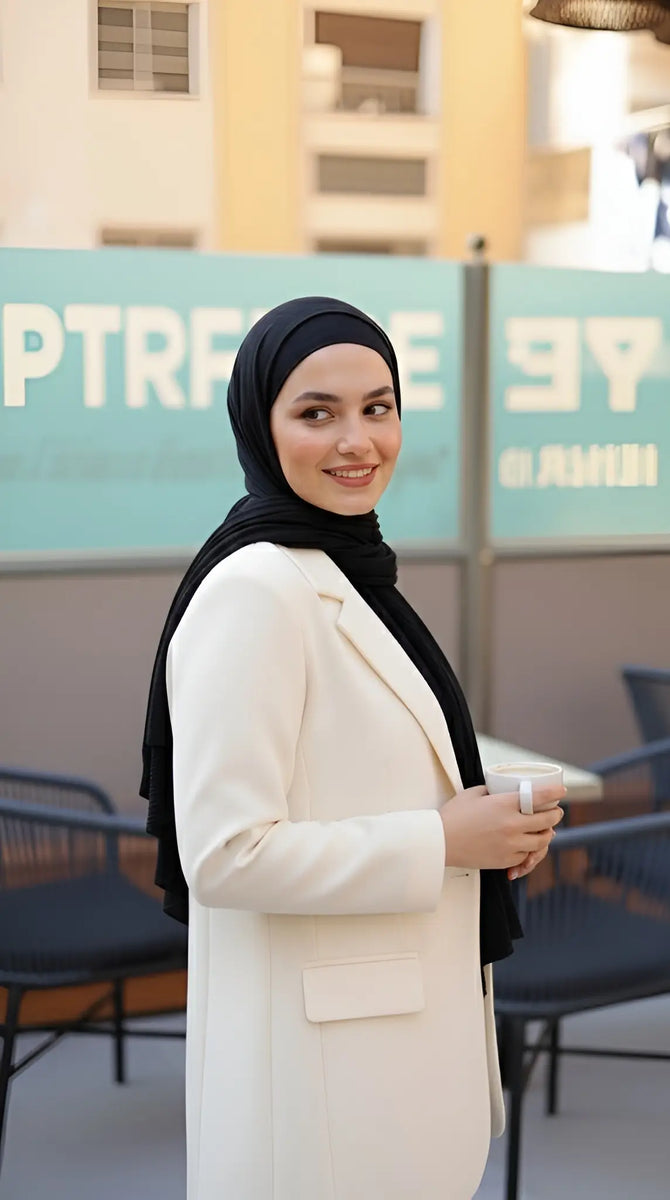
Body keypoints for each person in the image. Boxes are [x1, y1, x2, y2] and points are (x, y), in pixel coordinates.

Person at [140, 297, 565, 1200]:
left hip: (390, 1051)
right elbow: (225, 853)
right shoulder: (256, 588)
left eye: (378, 407)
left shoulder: (341, 565)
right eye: (316, 412)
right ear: (261, 427)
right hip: (326, 1085)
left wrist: (483, 831)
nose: (357, 440)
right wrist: (442, 841)